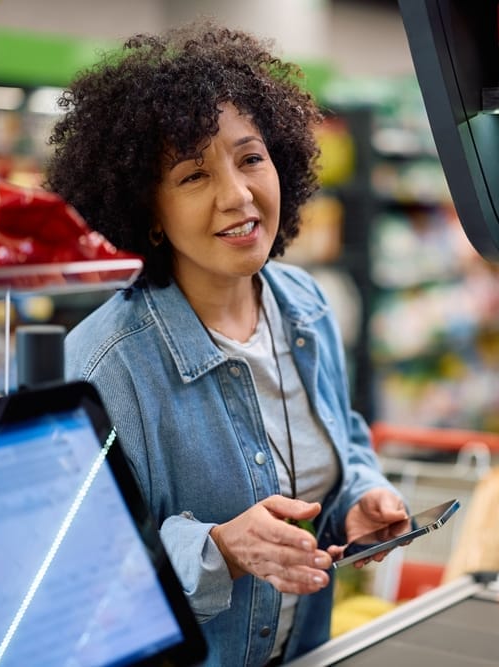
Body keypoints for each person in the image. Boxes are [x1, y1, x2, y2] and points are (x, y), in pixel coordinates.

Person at [44, 22, 407, 666]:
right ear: (147, 210)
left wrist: (359, 498)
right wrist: (221, 549)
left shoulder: (306, 304)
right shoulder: (104, 367)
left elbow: (345, 439)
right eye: (192, 176)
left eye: (250, 158)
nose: (237, 196)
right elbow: (82, 574)